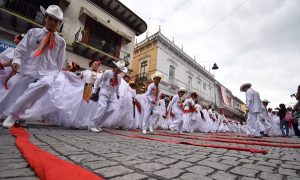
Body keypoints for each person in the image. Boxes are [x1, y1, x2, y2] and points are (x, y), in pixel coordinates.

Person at [1, 5, 66, 128]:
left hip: (48, 71)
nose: (53, 22)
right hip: (29, 67)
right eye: (51, 19)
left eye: (56, 21)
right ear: (45, 18)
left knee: (46, 84)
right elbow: (20, 50)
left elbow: (59, 61)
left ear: (59, 24)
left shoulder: (61, 42)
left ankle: (14, 115)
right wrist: (17, 61)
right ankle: (11, 114)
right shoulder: (33, 32)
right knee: (16, 89)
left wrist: (55, 75)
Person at [88, 60, 127, 132]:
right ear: (115, 67)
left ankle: (98, 124)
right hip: (104, 92)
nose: (119, 71)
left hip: (111, 95)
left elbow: (117, 86)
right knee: (102, 107)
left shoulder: (119, 77)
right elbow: (98, 81)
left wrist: (118, 94)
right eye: (118, 69)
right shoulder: (107, 72)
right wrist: (94, 91)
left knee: (111, 109)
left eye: (120, 70)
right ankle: (92, 125)